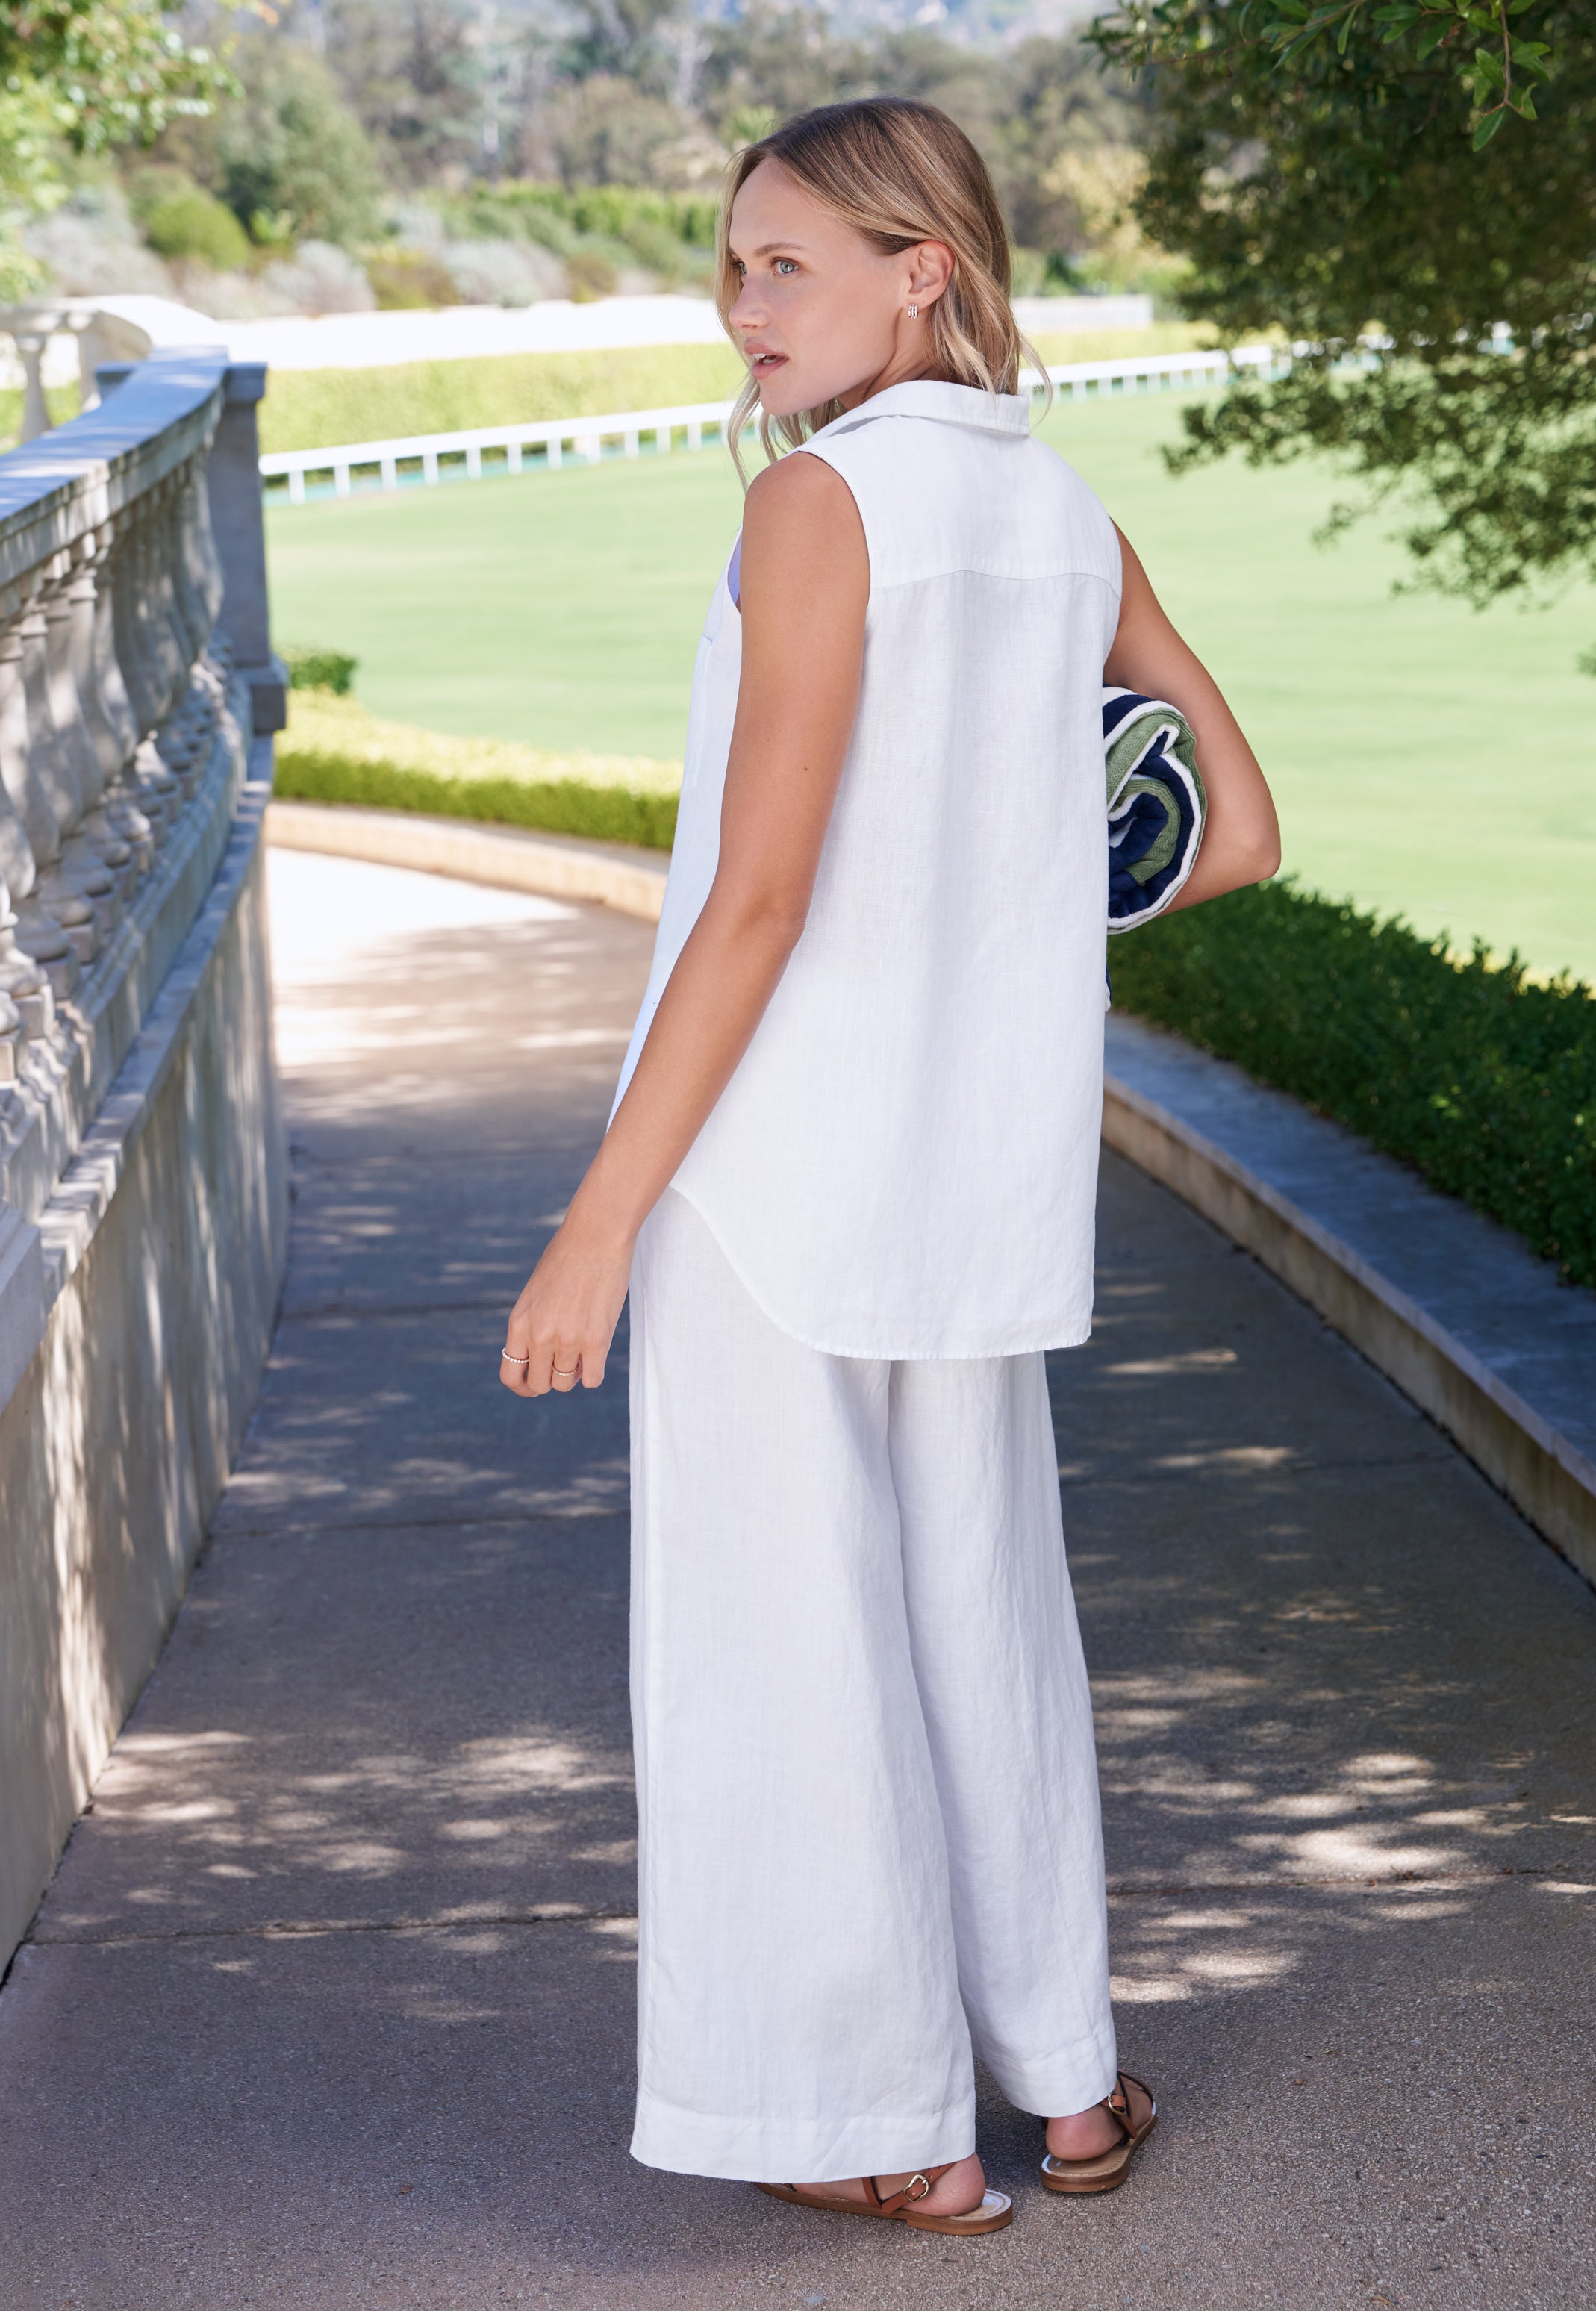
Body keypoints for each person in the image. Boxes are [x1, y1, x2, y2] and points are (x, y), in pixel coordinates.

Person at [500, 96, 1281, 2237]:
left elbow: (753, 905)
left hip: (769, 1187)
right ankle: (1071, 2093)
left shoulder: (817, 506)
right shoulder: (1056, 508)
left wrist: (598, 1223)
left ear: (919, 269)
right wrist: (997, 890)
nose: (739, 309)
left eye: (784, 265)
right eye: (730, 268)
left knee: (789, 1658)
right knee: (985, 1623)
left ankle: (892, 2128)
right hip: (967, 1191)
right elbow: (1234, 830)